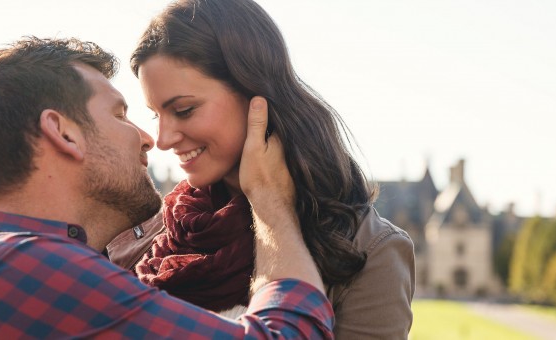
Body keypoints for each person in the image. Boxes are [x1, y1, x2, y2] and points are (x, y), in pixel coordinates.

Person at [0, 36, 334, 338]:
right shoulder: (28, 266)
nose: (150, 139)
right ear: (63, 133)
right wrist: (269, 200)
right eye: (120, 114)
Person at [107, 0, 416, 338]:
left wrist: (270, 205)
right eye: (155, 114)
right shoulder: (159, 228)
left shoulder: (371, 249)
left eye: (184, 109)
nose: (162, 139)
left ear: (255, 93)